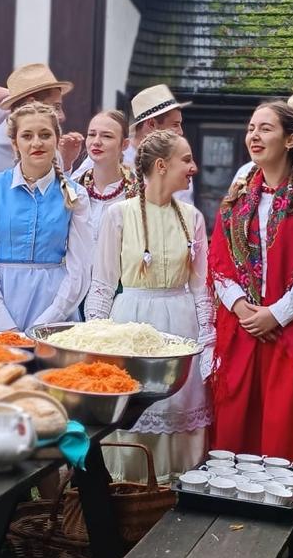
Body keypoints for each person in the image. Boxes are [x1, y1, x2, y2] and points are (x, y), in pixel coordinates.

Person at [210, 100, 293, 511]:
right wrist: (240, 307)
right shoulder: (237, 197)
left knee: (291, 439)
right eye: (251, 128)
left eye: (265, 129)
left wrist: (277, 313)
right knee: (242, 431)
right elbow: (220, 263)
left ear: (291, 140)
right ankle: (234, 519)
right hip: (244, 332)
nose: (254, 135)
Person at [86, 128, 214, 482]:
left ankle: (178, 484)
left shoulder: (193, 218)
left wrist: (206, 340)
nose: (193, 167)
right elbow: (102, 283)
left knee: (177, 407)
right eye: (186, 159)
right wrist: (96, 342)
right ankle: (128, 487)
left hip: (180, 327)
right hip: (132, 324)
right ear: (161, 165)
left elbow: (201, 287)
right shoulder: (119, 215)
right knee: (134, 407)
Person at [0, 101, 92, 331]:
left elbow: (81, 267)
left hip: (56, 304)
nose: (37, 142)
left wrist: (50, 318)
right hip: (1, 301)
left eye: (45, 135)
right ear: (14, 142)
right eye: (27, 135)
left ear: (57, 138)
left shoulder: (76, 193)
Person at [0, 64, 84, 187]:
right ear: (31, 104)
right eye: (56, 107)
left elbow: (59, 199)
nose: (61, 116)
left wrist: (66, 162)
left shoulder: (52, 151)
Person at [78, 109, 136, 243]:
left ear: (124, 144)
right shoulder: (74, 190)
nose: (96, 142)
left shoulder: (138, 193)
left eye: (107, 136)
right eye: (91, 134)